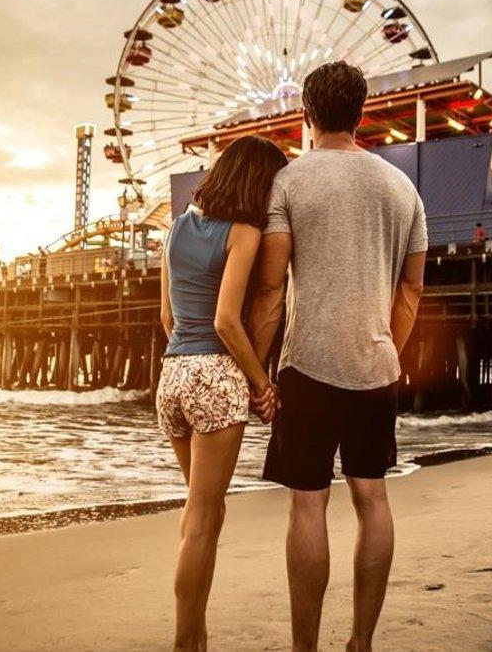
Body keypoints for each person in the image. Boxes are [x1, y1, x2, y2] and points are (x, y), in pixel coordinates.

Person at [248, 61, 427, 652]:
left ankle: (306, 647)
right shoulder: (403, 189)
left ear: (306, 115)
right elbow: (411, 290)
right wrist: (384, 353)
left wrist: (257, 370)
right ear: (361, 114)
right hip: (376, 367)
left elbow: (272, 288)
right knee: (372, 497)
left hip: (309, 366)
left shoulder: (290, 182)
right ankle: (362, 643)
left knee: (309, 505)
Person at [157, 135, 287, 651]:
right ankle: (188, 641)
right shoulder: (245, 232)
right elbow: (227, 320)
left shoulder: (174, 229)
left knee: (197, 515)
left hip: (171, 375)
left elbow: (168, 317)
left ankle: (195, 634)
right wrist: (262, 384)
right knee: (204, 522)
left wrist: (187, 362)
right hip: (214, 374)